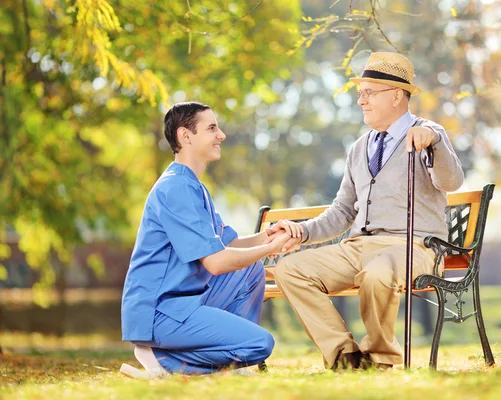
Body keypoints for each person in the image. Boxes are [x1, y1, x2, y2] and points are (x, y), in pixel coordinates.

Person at [269, 52, 465, 371]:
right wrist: (302, 231)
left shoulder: (427, 133)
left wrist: (435, 142)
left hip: (411, 247)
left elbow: (452, 181)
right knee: (290, 268)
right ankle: (346, 356)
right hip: (357, 246)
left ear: (397, 95)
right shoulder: (359, 148)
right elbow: (343, 211)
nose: (361, 101)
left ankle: (381, 358)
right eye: (360, 93)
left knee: (378, 273)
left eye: (368, 92)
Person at [120, 102, 294, 378]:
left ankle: (231, 360)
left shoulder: (193, 186)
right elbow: (215, 262)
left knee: (250, 270)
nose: (221, 135)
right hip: (160, 312)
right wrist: (269, 249)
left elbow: (228, 245)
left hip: (186, 302)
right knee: (261, 343)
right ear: (185, 136)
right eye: (212, 128)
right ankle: (162, 358)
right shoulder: (175, 188)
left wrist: (268, 236)